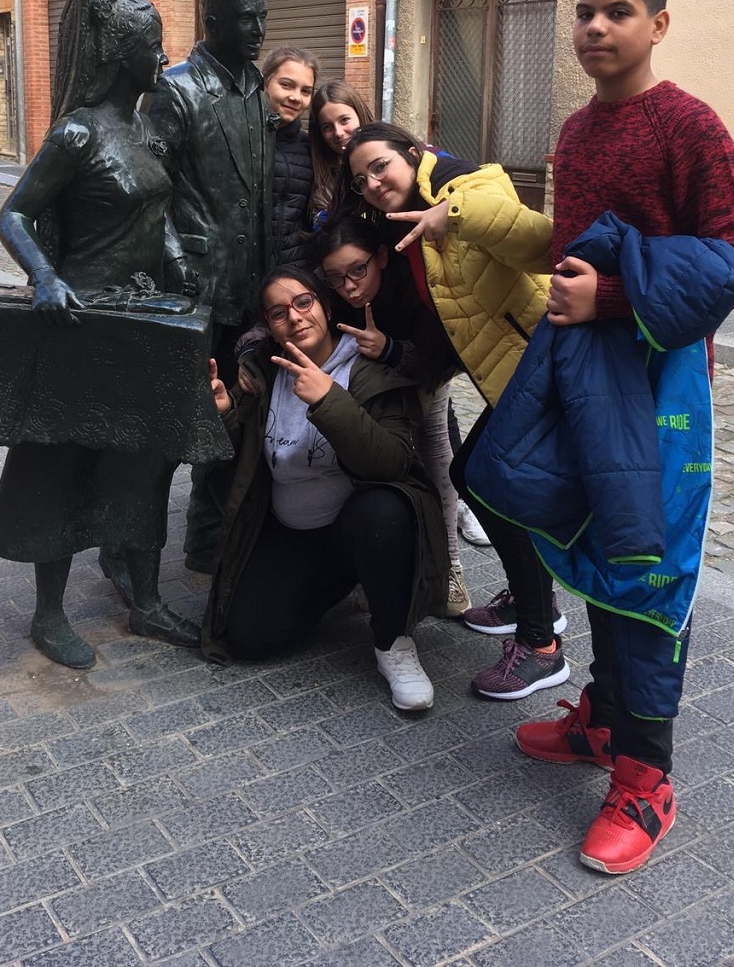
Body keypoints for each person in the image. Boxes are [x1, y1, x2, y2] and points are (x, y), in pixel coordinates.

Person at [513, 0, 734, 875]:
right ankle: (603, 716)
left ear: (657, 24)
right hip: (587, 378)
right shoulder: (577, 131)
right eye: (585, 11)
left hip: (661, 390)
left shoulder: (689, 125)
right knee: (593, 541)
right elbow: (570, 245)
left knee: (650, 568)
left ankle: (646, 776)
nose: (595, 26)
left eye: (617, 10)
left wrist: (613, 299)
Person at [0, 0, 200, 669]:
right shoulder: (76, 133)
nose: (164, 55)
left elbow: (155, 212)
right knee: (62, 468)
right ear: (123, 56)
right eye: (154, 45)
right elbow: (14, 214)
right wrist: (44, 276)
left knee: (142, 461)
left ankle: (146, 601)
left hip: (142, 320)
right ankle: (49, 614)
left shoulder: (145, 130)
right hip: (79, 325)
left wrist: (176, 256)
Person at [333, 122, 567, 701]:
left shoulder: (467, 183)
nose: (373, 182)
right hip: (513, 376)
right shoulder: (398, 226)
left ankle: (541, 643)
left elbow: (540, 242)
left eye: (380, 165)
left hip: (547, 363)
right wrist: (391, 350)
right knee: (480, 478)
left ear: (414, 154)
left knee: (485, 481)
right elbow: (438, 321)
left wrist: (455, 213)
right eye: (361, 179)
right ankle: (534, 605)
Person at [202, 267, 448, 711]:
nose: (295, 317)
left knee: (385, 511)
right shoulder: (262, 373)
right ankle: (345, 579)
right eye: (279, 313)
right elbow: (233, 461)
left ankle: (393, 642)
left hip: (358, 522)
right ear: (270, 327)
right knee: (250, 637)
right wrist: (225, 414)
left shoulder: (368, 368)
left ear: (326, 307)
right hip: (292, 531)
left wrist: (329, 399)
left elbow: (392, 463)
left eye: (304, 302)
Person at [144, 0, 275, 573]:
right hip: (194, 288)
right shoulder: (175, 91)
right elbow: (148, 194)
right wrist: (176, 261)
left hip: (248, 290)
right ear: (213, 22)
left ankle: (207, 540)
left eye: (263, 17)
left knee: (233, 421)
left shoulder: (258, 88)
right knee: (173, 424)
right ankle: (129, 549)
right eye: (247, 20)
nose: (259, 30)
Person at [319, 213, 472, 616]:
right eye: (336, 278)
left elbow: (439, 359)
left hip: (425, 368)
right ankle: (367, 569)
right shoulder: (331, 294)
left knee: (433, 444)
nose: (349, 286)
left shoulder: (418, 288)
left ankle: (450, 569)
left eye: (358, 270)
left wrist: (389, 348)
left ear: (382, 257)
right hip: (366, 378)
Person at [261, 46, 320, 266]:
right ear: (265, 83)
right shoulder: (238, 137)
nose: (296, 98)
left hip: (295, 271)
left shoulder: (311, 148)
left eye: (306, 91)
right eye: (286, 85)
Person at [308, 79, 374, 220]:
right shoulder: (321, 184)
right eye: (327, 127)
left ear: (360, 114)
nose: (338, 133)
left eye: (344, 120)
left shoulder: (389, 153)